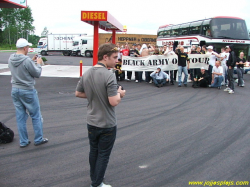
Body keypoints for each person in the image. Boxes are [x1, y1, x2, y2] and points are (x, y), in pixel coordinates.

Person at [75, 43, 126, 187]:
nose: (117, 60)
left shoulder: (87, 73)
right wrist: (120, 93)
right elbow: (114, 101)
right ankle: (97, 183)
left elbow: (78, 93)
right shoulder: (109, 75)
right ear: (105, 57)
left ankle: (95, 179)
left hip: (91, 121)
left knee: (94, 152)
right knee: (103, 155)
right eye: (115, 57)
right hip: (107, 123)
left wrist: (95, 95)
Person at [8, 38, 48, 148]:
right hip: (27, 90)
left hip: (15, 89)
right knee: (36, 115)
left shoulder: (11, 58)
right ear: (25, 48)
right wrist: (38, 63)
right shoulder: (26, 60)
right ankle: (38, 139)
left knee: (20, 116)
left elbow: (20, 67)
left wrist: (31, 60)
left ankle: (23, 141)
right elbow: (37, 73)